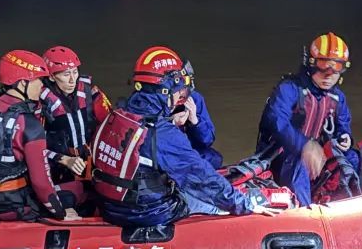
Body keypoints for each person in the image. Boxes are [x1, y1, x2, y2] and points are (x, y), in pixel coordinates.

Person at [91, 46, 273, 229]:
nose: (181, 98)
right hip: (148, 212)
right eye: (180, 92)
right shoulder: (162, 133)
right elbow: (201, 177)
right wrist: (244, 205)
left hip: (110, 206)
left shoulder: (118, 114)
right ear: (165, 90)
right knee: (217, 208)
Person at [0, 49, 81, 222]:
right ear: (22, 83)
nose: (42, 86)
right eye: (38, 80)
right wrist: (60, 213)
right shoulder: (28, 124)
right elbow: (41, 183)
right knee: (80, 189)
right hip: (11, 207)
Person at [257, 33, 359, 208]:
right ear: (310, 63)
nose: (329, 75)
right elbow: (277, 123)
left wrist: (345, 137)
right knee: (299, 163)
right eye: (323, 66)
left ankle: (348, 205)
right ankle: (305, 211)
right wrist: (304, 146)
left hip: (318, 155)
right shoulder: (289, 89)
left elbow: (343, 125)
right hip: (281, 156)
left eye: (337, 68)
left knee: (352, 158)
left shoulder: (337, 97)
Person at [39, 45, 111, 189]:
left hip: (93, 165)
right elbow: (29, 148)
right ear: (52, 77)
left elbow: (111, 126)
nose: (73, 80)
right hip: (57, 169)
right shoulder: (41, 102)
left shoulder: (91, 93)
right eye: (66, 75)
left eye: (75, 72)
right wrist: (63, 160)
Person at [179, 60, 222, 168]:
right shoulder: (157, 104)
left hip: (189, 151)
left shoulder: (194, 99)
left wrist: (195, 121)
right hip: (167, 151)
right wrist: (173, 123)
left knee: (214, 158)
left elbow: (207, 140)